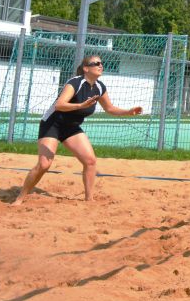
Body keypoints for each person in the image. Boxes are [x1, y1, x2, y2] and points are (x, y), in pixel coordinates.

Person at [13, 55, 142, 204]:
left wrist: (128, 111)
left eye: (101, 63)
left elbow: (110, 108)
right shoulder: (75, 83)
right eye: (96, 63)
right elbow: (59, 105)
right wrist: (81, 105)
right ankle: (20, 198)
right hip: (53, 124)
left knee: (90, 161)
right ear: (86, 68)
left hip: (71, 127)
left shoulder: (100, 87)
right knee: (44, 164)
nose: (100, 65)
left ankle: (89, 200)